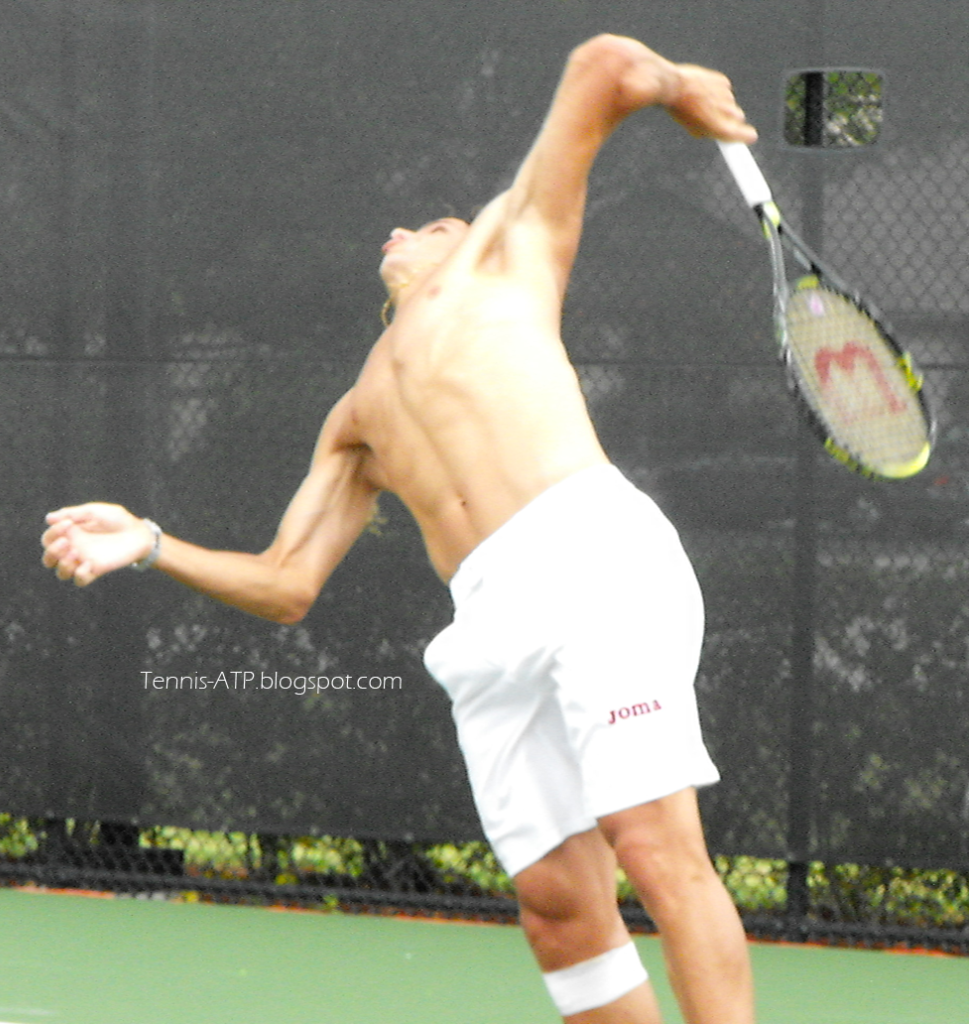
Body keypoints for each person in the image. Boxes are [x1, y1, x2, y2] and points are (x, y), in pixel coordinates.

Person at [42, 34, 757, 1024]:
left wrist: (680, 87)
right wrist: (151, 542)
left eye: (429, 220)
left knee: (651, 848)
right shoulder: (356, 414)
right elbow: (286, 582)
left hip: (591, 555)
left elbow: (601, 64)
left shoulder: (512, 254)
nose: (400, 227)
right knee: (555, 905)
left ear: (470, 236)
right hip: (486, 619)